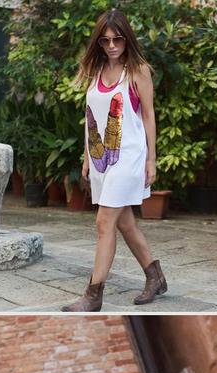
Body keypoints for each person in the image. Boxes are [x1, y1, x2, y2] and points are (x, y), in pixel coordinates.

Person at [62, 8, 167, 312]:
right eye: (105, 41)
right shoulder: (95, 73)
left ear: (127, 39)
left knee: (104, 221)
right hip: (100, 159)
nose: (111, 46)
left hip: (129, 156)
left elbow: (148, 116)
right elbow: (90, 118)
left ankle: (93, 296)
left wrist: (152, 159)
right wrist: (85, 157)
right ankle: (155, 276)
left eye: (117, 40)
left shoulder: (138, 71)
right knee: (125, 223)